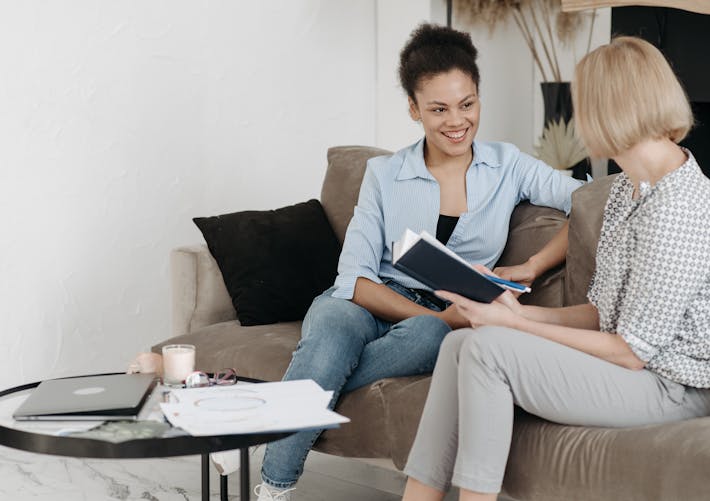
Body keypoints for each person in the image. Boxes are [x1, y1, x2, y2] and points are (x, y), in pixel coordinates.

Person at [255, 23, 583, 501]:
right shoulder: (384, 174)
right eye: (438, 108)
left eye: (467, 104)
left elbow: (591, 201)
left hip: (435, 320)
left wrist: (533, 264)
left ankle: (307, 379)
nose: (457, 121)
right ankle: (274, 487)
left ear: (478, 98)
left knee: (425, 338)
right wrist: (435, 315)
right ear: (414, 109)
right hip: (366, 302)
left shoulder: (508, 164)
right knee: (335, 332)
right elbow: (355, 279)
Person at [401, 36, 710, 501]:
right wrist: (516, 312)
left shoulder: (679, 207)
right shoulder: (628, 188)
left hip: (671, 387)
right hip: (636, 366)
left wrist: (509, 327)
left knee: (488, 350)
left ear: (606, 110)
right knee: (460, 343)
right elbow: (599, 313)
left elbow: (631, 352)